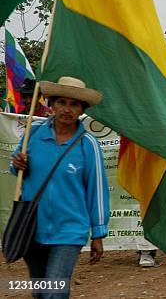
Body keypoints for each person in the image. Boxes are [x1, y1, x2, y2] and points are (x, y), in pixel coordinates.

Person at [10, 76, 109, 298]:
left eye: (74, 104)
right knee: (40, 292)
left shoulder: (87, 144)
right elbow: (16, 168)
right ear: (51, 104)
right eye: (61, 102)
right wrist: (17, 164)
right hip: (32, 227)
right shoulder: (33, 134)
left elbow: (97, 190)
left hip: (69, 230)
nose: (67, 109)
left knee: (54, 291)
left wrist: (98, 233)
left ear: (82, 109)